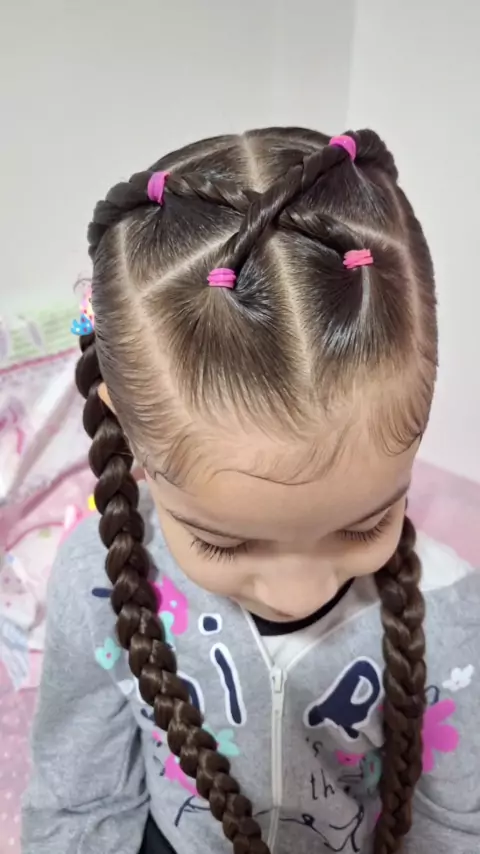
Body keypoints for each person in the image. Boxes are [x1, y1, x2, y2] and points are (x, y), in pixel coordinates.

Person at [21, 128, 480, 854]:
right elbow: (80, 804)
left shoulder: (452, 618)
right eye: (227, 543)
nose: (296, 595)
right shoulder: (98, 583)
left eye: (363, 525)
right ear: (130, 440)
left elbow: (456, 825)